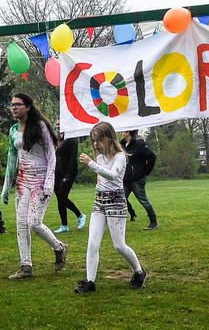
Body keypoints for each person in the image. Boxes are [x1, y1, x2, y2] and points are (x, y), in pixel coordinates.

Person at [75, 122, 147, 293]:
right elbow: (102, 179)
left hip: (116, 202)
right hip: (99, 201)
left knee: (119, 245)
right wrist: (95, 163)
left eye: (98, 140)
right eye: (93, 141)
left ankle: (139, 271)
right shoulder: (100, 158)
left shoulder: (120, 157)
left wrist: (91, 164)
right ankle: (90, 281)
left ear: (108, 138)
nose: (95, 145)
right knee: (92, 244)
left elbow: (113, 175)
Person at [1, 93, 68, 279]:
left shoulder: (40, 126)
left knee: (34, 223)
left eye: (18, 104)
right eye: (12, 104)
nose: (14, 107)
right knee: (21, 224)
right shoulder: (14, 130)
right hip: (23, 182)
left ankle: (60, 247)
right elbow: (11, 159)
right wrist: (6, 187)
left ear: (28, 107)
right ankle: (26, 266)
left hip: (41, 180)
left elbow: (51, 154)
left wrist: (49, 182)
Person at [119, 130, 158, 230]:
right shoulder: (121, 145)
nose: (120, 133)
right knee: (121, 200)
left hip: (137, 180)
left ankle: (153, 221)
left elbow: (152, 156)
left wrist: (145, 173)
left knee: (143, 200)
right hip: (126, 179)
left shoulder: (139, 145)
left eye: (122, 132)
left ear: (128, 133)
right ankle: (120, 223)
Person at [53, 118, 87, 233]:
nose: (57, 125)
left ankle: (80, 215)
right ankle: (64, 225)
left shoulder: (71, 138)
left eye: (60, 123)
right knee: (59, 199)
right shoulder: (59, 139)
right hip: (57, 172)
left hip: (68, 173)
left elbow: (73, 158)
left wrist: (68, 175)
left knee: (62, 197)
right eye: (57, 123)